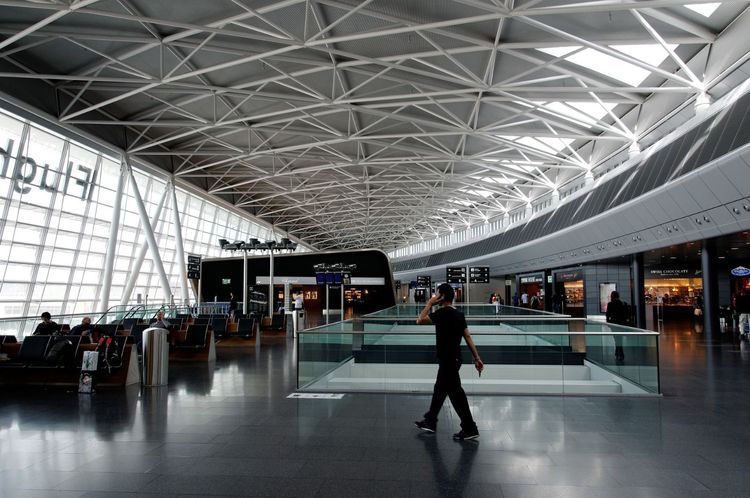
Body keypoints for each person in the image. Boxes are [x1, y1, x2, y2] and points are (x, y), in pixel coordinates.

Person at [414, 283, 484, 440]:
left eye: (437, 294)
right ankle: (430, 420)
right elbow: (467, 336)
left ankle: (470, 428)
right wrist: (477, 357)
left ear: (442, 297)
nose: (435, 296)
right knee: (440, 389)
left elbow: (420, 320)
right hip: (455, 359)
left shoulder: (441, 313)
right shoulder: (459, 315)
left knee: (456, 394)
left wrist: (430, 303)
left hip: (447, 360)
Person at [605, 291, 628, 361]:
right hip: (621, 324)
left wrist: (609, 323)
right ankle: (620, 353)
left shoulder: (610, 304)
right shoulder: (622, 303)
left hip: (614, 324)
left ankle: (618, 353)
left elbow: (607, 315)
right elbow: (625, 314)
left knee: (616, 339)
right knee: (620, 339)